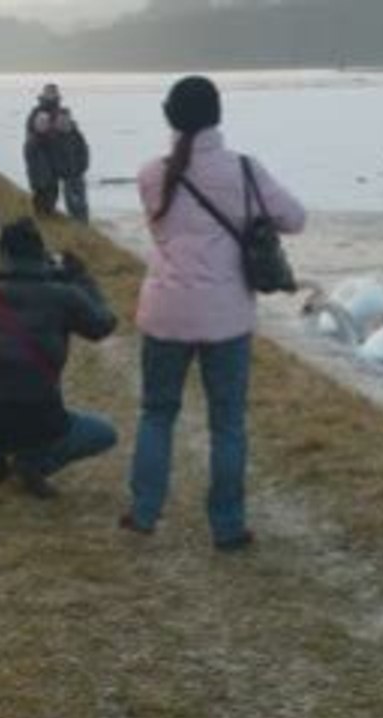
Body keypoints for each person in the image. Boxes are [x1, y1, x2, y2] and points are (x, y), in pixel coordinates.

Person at [122, 76, 306, 549]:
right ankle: (227, 526)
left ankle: (143, 511)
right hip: (225, 316)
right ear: (217, 114)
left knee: (157, 413)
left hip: (165, 311)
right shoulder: (244, 170)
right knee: (227, 425)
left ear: (170, 115)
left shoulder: (150, 174)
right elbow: (296, 218)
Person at [0, 217, 118, 499]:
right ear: (41, 253)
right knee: (105, 434)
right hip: (40, 422)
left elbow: (7, 294)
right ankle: (32, 464)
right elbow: (104, 324)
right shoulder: (63, 296)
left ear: (3, 254)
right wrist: (81, 278)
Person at [24, 83, 62, 216]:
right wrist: (37, 138)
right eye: (49, 93)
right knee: (40, 187)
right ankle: (40, 214)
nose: (51, 95)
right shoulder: (36, 111)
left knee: (53, 187)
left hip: (55, 155)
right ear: (44, 94)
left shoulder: (59, 111)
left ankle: (49, 212)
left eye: (53, 93)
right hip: (39, 153)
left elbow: (64, 132)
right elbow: (30, 131)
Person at [52, 108, 90, 223]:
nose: (63, 122)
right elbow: (54, 157)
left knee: (82, 204)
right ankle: (76, 224)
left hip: (79, 175)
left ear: (69, 119)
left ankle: (84, 224)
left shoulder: (76, 134)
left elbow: (84, 151)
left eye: (65, 119)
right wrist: (62, 171)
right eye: (61, 119)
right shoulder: (55, 137)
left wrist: (83, 166)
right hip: (66, 177)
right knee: (72, 204)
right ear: (57, 120)